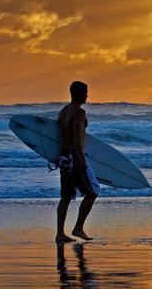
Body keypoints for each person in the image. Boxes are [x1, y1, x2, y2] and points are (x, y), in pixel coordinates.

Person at [56, 81, 100, 243]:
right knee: (92, 192)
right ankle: (78, 228)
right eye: (86, 92)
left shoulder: (63, 111)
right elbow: (76, 136)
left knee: (66, 196)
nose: (88, 95)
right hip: (75, 156)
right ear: (79, 93)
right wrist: (81, 159)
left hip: (64, 157)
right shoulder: (80, 113)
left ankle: (60, 233)